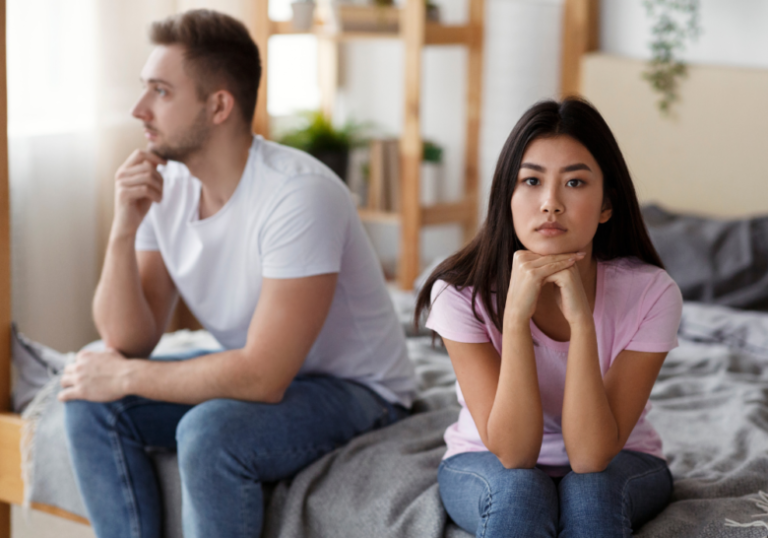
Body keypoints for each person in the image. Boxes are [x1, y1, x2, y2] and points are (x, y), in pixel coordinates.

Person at [60, 9, 415, 538]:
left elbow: (263, 377)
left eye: (160, 91)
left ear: (218, 105)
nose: (139, 109)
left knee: (209, 431)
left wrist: (129, 376)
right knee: (92, 395)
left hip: (357, 389)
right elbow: (127, 339)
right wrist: (122, 228)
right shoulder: (167, 187)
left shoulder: (299, 195)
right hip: (266, 368)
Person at [414, 98, 682, 537]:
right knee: (521, 490)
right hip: (485, 457)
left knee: (590, 491)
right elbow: (515, 455)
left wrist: (582, 324)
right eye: (532, 180)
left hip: (621, 458)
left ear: (606, 205)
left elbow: (591, 457)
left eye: (574, 182)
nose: (550, 203)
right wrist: (515, 321)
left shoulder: (652, 293)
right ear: (507, 196)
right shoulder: (460, 292)